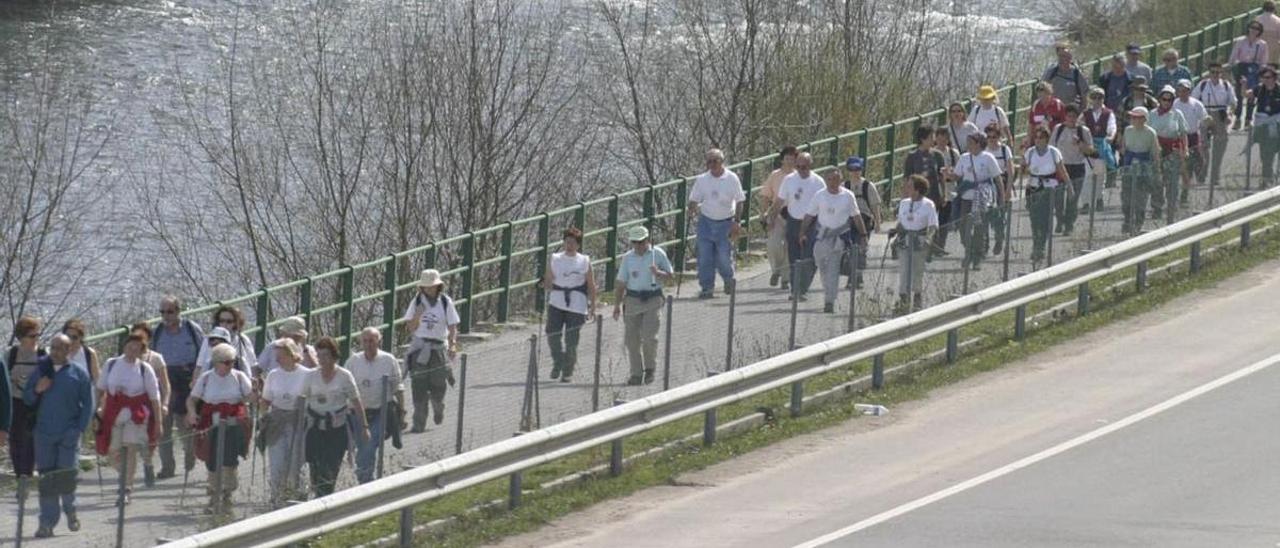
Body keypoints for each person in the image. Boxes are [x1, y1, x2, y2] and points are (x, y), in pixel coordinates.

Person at [23, 334, 93, 538]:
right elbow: (27, 399)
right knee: (47, 480)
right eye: (52, 348)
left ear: (69, 350)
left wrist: (78, 429)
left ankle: (70, 511)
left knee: (66, 478)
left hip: (68, 435)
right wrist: (37, 389)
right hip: (44, 435)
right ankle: (47, 523)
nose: (55, 352)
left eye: (60, 348)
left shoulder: (78, 374)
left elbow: (88, 405)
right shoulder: (40, 371)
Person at [94, 333, 163, 505]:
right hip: (114, 413)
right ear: (124, 346)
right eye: (130, 346)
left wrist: (158, 422)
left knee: (129, 448)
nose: (133, 350)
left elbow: (155, 398)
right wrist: (95, 411)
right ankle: (127, 474)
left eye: (137, 347)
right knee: (113, 451)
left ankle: (126, 489)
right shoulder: (111, 364)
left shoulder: (145, 369)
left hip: (136, 414)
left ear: (142, 350)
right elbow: (100, 389)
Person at [188, 343, 253, 513]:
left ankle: (227, 491)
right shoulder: (207, 378)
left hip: (233, 421)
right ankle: (214, 493)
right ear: (216, 362)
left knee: (229, 458)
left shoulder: (239, 377)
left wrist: (255, 392)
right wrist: (192, 413)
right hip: (210, 420)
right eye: (226, 362)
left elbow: (249, 397)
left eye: (232, 361)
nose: (230, 365)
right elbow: (192, 399)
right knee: (212, 456)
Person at [302, 337, 367, 498]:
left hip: (336, 430)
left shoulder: (344, 376)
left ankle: (325, 498)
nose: (322, 360)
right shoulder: (311, 376)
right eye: (319, 355)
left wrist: (364, 427)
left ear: (334, 356)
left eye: (325, 356)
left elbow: (356, 402)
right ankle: (318, 498)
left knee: (330, 468)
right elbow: (302, 400)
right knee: (316, 469)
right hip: (315, 428)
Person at [611, 225, 673, 385]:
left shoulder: (657, 254)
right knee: (631, 340)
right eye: (635, 242)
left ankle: (650, 368)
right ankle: (636, 373)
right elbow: (621, 283)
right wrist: (617, 305)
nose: (639, 246)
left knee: (649, 337)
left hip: (652, 299)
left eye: (641, 242)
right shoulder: (628, 258)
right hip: (632, 300)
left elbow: (671, 275)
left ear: (647, 241)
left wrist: (658, 273)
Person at [799, 170, 868, 313]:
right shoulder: (820, 195)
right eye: (829, 179)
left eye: (835, 179)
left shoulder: (848, 196)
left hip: (839, 239)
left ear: (840, 180)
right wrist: (802, 232)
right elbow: (809, 215)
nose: (832, 183)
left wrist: (863, 234)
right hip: (822, 237)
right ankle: (828, 292)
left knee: (833, 269)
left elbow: (856, 216)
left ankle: (829, 301)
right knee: (822, 267)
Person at [151, 296, 204, 479]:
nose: (166, 316)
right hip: (164, 379)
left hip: (186, 379)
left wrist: (198, 379)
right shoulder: (157, 332)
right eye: (162, 312)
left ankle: (190, 456)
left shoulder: (191, 329)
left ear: (178, 311)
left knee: (185, 425)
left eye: (170, 311)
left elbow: (203, 354)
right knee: (163, 426)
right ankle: (167, 467)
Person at [402, 269, 460, 432]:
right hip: (420, 348)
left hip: (439, 348)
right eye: (426, 287)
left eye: (432, 287)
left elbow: (452, 325)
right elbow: (411, 328)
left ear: (438, 286)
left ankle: (438, 407)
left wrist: (453, 343)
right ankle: (418, 423)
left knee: (438, 384)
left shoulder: (445, 302)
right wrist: (417, 315)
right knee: (418, 386)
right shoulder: (416, 302)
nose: (429, 290)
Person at [346, 327, 404, 484]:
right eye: (365, 341)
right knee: (363, 446)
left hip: (380, 411)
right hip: (357, 413)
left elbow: (398, 386)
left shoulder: (388, 360)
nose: (368, 344)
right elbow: (345, 388)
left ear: (378, 341)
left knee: (369, 444)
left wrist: (402, 411)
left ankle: (366, 480)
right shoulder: (353, 362)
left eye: (371, 340)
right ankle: (366, 478)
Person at [260, 337, 312, 507]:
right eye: (276, 356)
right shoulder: (273, 375)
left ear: (292, 355)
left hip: (299, 422)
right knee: (276, 463)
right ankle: (277, 497)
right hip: (277, 422)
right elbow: (266, 400)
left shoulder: (306, 374)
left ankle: (297, 496)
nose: (277, 360)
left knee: (296, 462)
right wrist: (264, 417)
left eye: (281, 356)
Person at [542, 227, 597, 382]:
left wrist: (593, 306)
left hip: (577, 305)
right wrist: (545, 282)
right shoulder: (555, 258)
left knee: (571, 340)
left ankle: (567, 371)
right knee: (552, 335)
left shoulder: (584, 261)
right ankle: (558, 361)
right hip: (557, 302)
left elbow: (591, 285)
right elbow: (548, 281)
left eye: (572, 243)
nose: (569, 245)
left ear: (578, 245)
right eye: (567, 242)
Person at [688, 148, 745, 299]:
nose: (712, 164)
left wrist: (737, 222)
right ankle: (707, 288)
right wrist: (692, 207)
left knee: (723, 257)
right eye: (709, 161)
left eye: (715, 161)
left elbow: (740, 201)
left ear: (722, 162)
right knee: (705, 257)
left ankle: (728, 279)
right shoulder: (702, 179)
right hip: (706, 222)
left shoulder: (732, 178)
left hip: (726, 222)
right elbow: (694, 198)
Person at [769, 152, 826, 300]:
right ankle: (795, 291)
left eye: (804, 167)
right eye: (798, 166)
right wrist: (772, 218)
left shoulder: (818, 182)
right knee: (794, 258)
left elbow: (824, 204)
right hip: (793, 222)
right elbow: (779, 201)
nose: (801, 169)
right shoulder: (789, 180)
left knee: (809, 258)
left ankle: (803, 288)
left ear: (810, 165)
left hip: (812, 224)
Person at [128, 322, 172, 488]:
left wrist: (165, 403)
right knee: (130, 441)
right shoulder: (125, 359)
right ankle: (128, 479)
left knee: (149, 440)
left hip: (151, 403)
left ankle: (148, 464)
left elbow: (165, 384)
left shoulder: (156, 358)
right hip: (131, 404)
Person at [1023, 127, 1072, 268]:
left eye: (1041, 137)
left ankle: (1042, 247)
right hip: (1033, 187)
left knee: (1044, 219)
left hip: (1049, 187)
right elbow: (1024, 169)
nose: (1038, 140)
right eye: (1036, 137)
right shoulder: (1030, 152)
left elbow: (1062, 170)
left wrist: (1069, 187)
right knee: (1034, 219)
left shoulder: (1053, 152)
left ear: (1046, 139)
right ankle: (1036, 244)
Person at [953, 133, 1002, 270]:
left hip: (982, 197)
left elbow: (997, 179)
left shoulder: (988, 158)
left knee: (980, 228)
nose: (968, 145)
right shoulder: (964, 158)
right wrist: (949, 175)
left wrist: (1001, 198)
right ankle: (969, 250)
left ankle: (977, 256)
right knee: (964, 228)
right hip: (966, 197)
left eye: (971, 142)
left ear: (979, 144)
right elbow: (957, 176)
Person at [890, 175, 939, 314]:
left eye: (910, 186)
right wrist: (895, 230)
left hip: (919, 241)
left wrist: (929, 239)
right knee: (904, 270)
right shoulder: (904, 203)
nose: (906, 188)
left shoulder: (928, 205)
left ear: (917, 190)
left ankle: (917, 297)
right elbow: (901, 222)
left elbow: (933, 225)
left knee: (917, 271)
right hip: (905, 241)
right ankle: (904, 299)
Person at [6, 316, 45, 479]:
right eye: (32, 336)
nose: (36, 339)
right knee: (15, 438)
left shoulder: (43, 354)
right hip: (15, 400)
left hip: (36, 401)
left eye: (38, 335)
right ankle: (18, 472)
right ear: (21, 337)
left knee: (31, 438)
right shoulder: (12, 354)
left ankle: (26, 473)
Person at [1050, 104, 1096, 235]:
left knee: (1073, 197)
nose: (1071, 119)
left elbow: (1091, 151)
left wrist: (1080, 143)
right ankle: (1060, 220)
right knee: (1058, 197)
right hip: (1060, 166)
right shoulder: (1058, 129)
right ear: (1065, 116)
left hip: (1077, 166)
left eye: (1074, 116)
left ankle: (1069, 224)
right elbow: (1051, 147)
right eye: (1069, 116)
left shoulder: (1084, 131)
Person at [1148, 86, 1189, 223]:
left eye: (1169, 99)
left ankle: (1172, 207)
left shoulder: (1177, 114)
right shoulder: (1152, 114)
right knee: (1156, 181)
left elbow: (1183, 133)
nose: (1166, 102)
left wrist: (1186, 149)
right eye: (1164, 99)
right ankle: (1157, 208)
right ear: (1159, 99)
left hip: (1173, 150)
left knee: (1172, 181)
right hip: (1156, 150)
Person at [1118, 107, 1161, 235]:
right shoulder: (1127, 130)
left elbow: (1155, 152)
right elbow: (1123, 147)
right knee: (1126, 195)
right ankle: (1127, 220)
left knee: (1141, 197)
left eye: (1137, 117)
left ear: (1144, 119)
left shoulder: (1150, 132)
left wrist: (1157, 170)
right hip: (1129, 166)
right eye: (1132, 117)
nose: (1133, 120)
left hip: (1144, 167)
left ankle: (1138, 222)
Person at [1193, 62, 1237, 187]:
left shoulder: (1227, 86)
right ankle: (1202, 172)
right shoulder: (1202, 85)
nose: (1215, 75)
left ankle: (1215, 175)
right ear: (1209, 73)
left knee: (1220, 145)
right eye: (1213, 72)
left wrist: (1229, 114)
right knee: (1202, 146)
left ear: (1221, 73)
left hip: (1220, 114)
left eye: (1218, 72)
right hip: (1206, 113)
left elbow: (1233, 102)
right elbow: (1194, 99)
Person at [760, 146, 797, 290]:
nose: (789, 161)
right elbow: (765, 195)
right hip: (777, 214)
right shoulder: (775, 175)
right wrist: (763, 213)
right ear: (782, 160)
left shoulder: (799, 176)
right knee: (774, 244)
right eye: (786, 158)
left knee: (789, 247)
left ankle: (785, 279)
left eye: (792, 159)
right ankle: (776, 270)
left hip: (794, 215)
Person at [843, 156, 881, 289]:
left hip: (864, 219)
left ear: (861, 169)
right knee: (849, 249)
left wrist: (877, 222)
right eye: (852, 169)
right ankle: (851, 277)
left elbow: (875, 205)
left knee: (861, 249)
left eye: (857, 169)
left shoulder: (868, 186)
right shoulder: (845, 186)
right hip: (849, 221)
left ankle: (858, 277)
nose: (855, 172)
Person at [195, 306, 257, 378]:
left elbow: (253, 365)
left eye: (229, 322)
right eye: (222, 321)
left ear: (235, 323)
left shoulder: (243, 340)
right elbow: (199, 365)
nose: (225, 324)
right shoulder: (209, 339)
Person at [1173, 80, 1209, 204]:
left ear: (1190, 91)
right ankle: (1181, 193)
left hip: (1193, 136)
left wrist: (1209, 122)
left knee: (1199, 162)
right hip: (1178, 137)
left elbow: (1204, 119)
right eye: (1181, 90)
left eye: (1186, 90)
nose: (1183, 93)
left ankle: (1188, 187)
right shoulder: (1174, 105)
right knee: (1183, 167)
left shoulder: (1196, 104)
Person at [1083, 88, 1118, 210]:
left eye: (1100, 97)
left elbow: (1112, 128)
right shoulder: (1085, 114)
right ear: (1091, 99)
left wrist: (1110, 137)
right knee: (1087, 176)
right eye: (1094, 97)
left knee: (1100, 176)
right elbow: (1079, 126)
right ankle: (1086, 203)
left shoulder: (1108, 113)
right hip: (1088, 147)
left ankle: (1099, 199)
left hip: (1102, 146)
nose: (1097, 100)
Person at [983, 124, 1015, 256]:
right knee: (984, 215)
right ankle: (984, 244)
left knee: (999, 216)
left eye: (994, 137)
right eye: (988, 137)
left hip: (1001, 183)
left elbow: (1011, 170)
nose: (991, 139)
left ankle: (999, 238)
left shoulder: (1004, 150)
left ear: (999, 137)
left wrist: (1007, 191)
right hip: (986, 185)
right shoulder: (983, 150)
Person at [1230, 20, 1268, 130]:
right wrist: (1234, 64)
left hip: (1254, 71)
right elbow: (1234, 56)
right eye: (1252, 27)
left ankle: (1248, 120)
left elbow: (1264, 61)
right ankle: (1237, 118)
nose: (1254, 30)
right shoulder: (1240, 41)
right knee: (1239, 95)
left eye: (1257, 29)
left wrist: (1260, 71)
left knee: (1251, 95)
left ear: (1259, 31)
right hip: (1242, 68)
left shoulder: (1262, 44)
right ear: (1248, 28)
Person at [1250, 66, 1280, 188]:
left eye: (1268, 77)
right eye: (1263, 77)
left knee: (1274, 152)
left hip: (1277, 125)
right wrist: (1243, 85)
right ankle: (1266, 178)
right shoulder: (1260, 89)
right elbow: (1248, 95)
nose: (1265, 80)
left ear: (1274, 78)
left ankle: (1274, 177)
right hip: (1263, 126)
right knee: (1265, 154)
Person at [932, 126, 960, 256]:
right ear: (935, 138)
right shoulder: (932, 153)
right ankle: (932, 245)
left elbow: (960, 170)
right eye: (939, 138)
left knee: (944, 220)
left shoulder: (954, 154)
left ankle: (940, 246)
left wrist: (950, 173)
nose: (942, 141)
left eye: (945, 138)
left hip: (950, 189)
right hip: (935, 190)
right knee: (933, 220)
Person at [61, 319, 100, 383]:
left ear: (81, 337)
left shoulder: (89, 354)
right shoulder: (58, 354)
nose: (70, 340)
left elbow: (97, 380)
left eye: (74, 337)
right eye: (68, 336)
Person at [1258, 1, 1280, 66]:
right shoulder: (1278, 20)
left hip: (1259, 47)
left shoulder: (1257, 19)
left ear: (1263, 8)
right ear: (1274, 9)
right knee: (1272, 67)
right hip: (1273, 48)